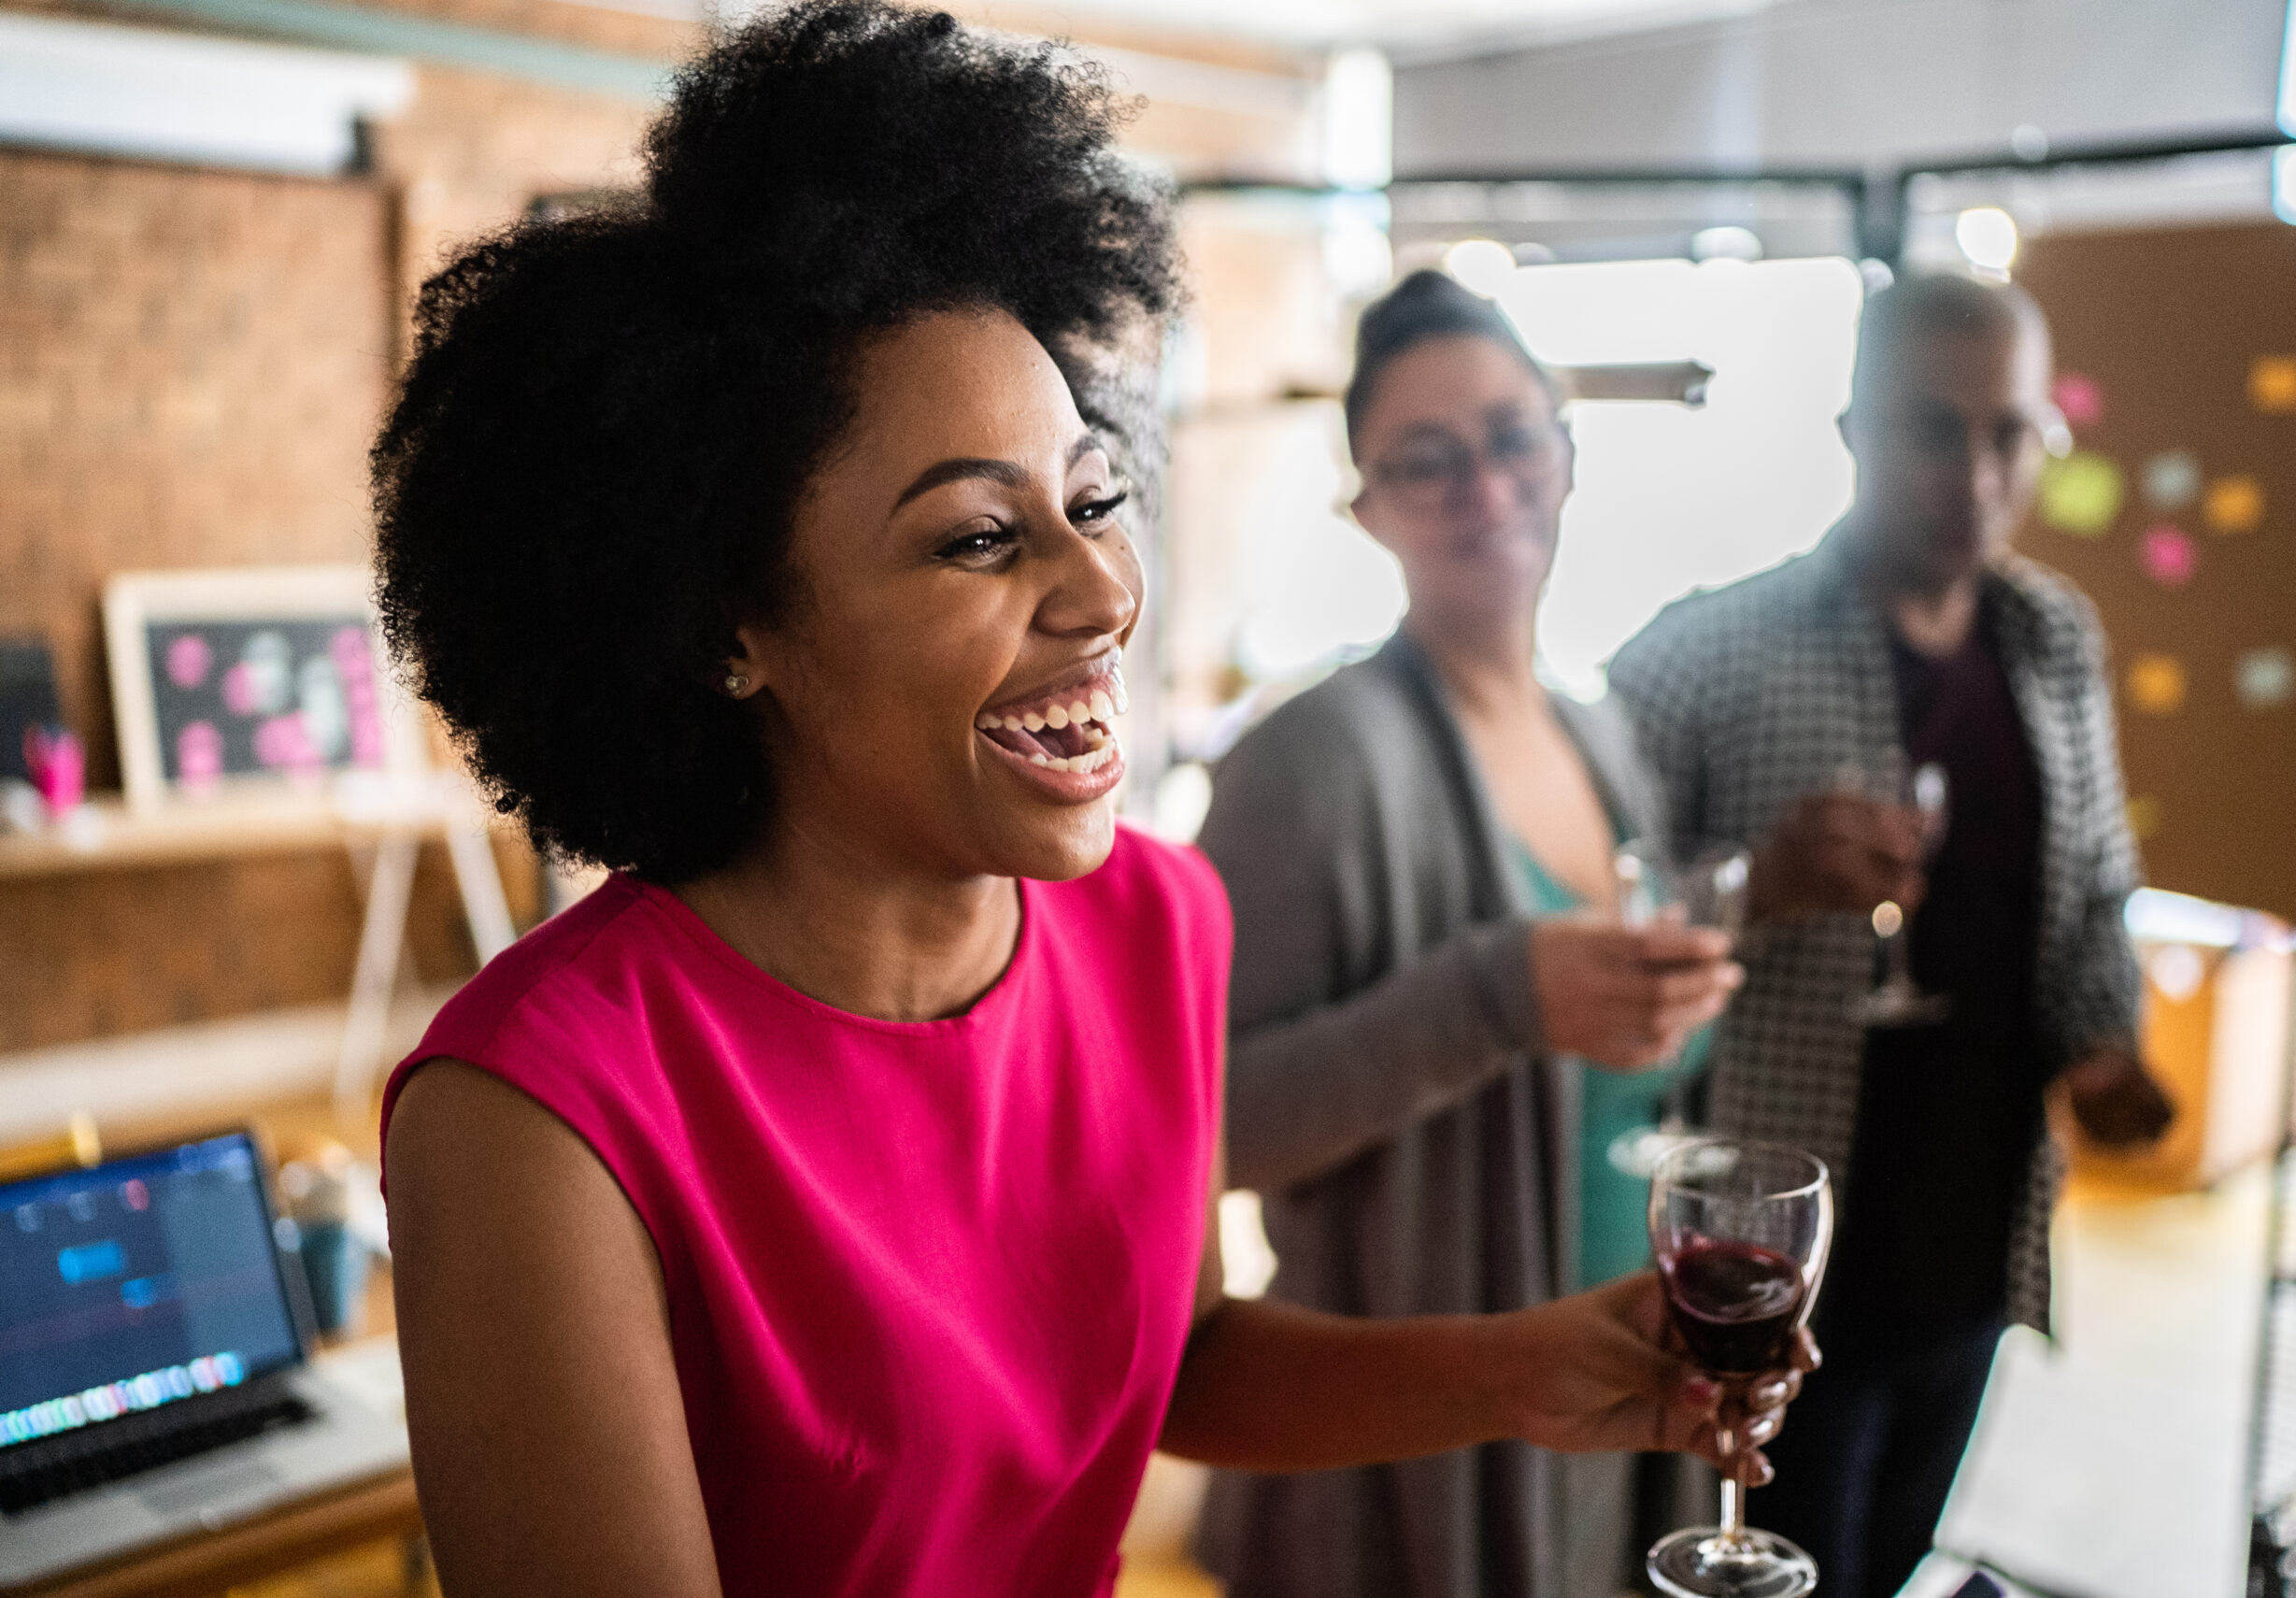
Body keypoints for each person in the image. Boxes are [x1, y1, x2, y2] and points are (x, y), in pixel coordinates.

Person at [368, 14, 1808, 1597]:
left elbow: (1177, 1363)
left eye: (1095, 499)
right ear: (729, 629)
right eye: (982, 536)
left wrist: (1518, 1370)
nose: (1104, 590)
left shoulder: (1154, 921)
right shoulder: (539, 1118)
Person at [1606, 271, 2175, 1598]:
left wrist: (2105, 1047)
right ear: (1856, 429)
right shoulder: (1705, 653)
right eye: (1934, 428)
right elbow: (1590, 916)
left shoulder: (2054, 643)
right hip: (1776, 1274)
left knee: (1895, 1565)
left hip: (1977, 1244)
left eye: (2008, 433)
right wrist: (1756, 881)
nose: (1974, 472)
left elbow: (2094, 890)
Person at [1195, 269, 1750, 1598]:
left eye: (1511, 440)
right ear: (1367, 504)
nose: (1483, 487)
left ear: (1566, 455)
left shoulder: (1598, 730)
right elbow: (1206, 1122)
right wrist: (1493, 998)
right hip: (1409, 1439)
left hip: (1613, 1377)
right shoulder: (1305, 761)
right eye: (1425, 460)